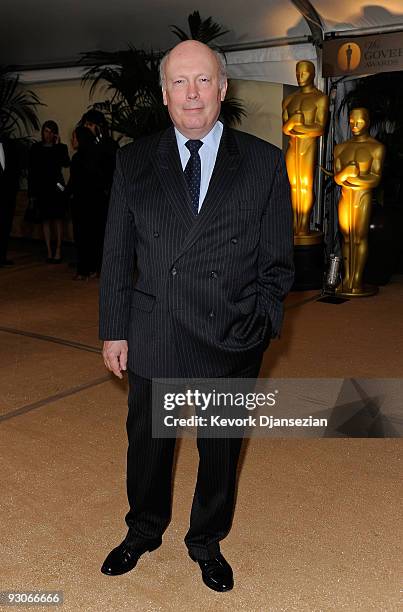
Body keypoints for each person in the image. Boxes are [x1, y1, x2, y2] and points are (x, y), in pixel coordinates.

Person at [99, 40, 294, 592]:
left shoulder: (262, 161)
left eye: (204, 81)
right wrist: (114, 328)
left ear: (223, 89)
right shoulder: (134, 160)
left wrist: (259, 327)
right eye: (180, 82)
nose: (192, 93)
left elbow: (278, 263)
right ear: (164, 95)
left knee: (219, 450)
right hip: (154, 329)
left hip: (229, 333)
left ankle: (206, 539)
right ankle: (143, 528)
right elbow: (116, 254)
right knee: (149, 444)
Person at [334, 107, 385, 295]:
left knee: (359, 237)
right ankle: (347, 277)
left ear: (368, 122)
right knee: (347, 238)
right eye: (351, 121)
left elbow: (375, 178)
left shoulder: (376, 148)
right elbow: (337, 178)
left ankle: (357, 278)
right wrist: (347, 173)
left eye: (360, 121)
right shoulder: (341, 148)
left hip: (362, 197)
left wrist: (353, 178)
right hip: (346, 196)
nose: (355, 125)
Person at [282, 60, 329, 237]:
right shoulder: (289, 100)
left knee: (306, 186)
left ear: (312, 73)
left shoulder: (320, 98)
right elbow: (285, 128)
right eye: (297, 73)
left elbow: (319, 128)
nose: (300, 77)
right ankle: (294, 222)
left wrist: (296, 124)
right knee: (293, 186)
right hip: (293, 146)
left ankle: (304, 223)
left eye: (304, 73)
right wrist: (294, 123)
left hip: (308, 146)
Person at [79, 110, 118, 274]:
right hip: (88, 197)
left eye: (90, 125)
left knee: (103, 234)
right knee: (88, 233)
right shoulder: (85, 146)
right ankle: (89, 265)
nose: (87, 128)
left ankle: (103, 267)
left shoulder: (109, 144)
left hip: (105, 196)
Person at [28, 120, 70, 262]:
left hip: (56, 187)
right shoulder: (36, 148)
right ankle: (49, 250)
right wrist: (32, 192)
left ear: (55, 133)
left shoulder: (61, 147)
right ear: (42, 132)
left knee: (58, 218)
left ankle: (58, 249)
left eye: (51, 132)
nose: (48, 134)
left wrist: (57, 145)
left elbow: (65, 162)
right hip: (42, 187)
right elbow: (32, 170)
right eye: (46, 131)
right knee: (45, 219)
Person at [67, 126, 102, 280]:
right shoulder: (94, 156)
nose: (72, 141)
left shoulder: (80, 158)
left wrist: (64, 193)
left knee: (84, 237)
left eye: (74, 138)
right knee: (90, 237)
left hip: (85, 204)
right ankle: (90, 268)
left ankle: (85, 269)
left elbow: (74, 183)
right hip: (91, 204)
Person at [0, 136, 20, 267]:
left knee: (5, 226)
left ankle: (2, 257)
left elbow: (14, 168)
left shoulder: (9, 144)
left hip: (7, 195)